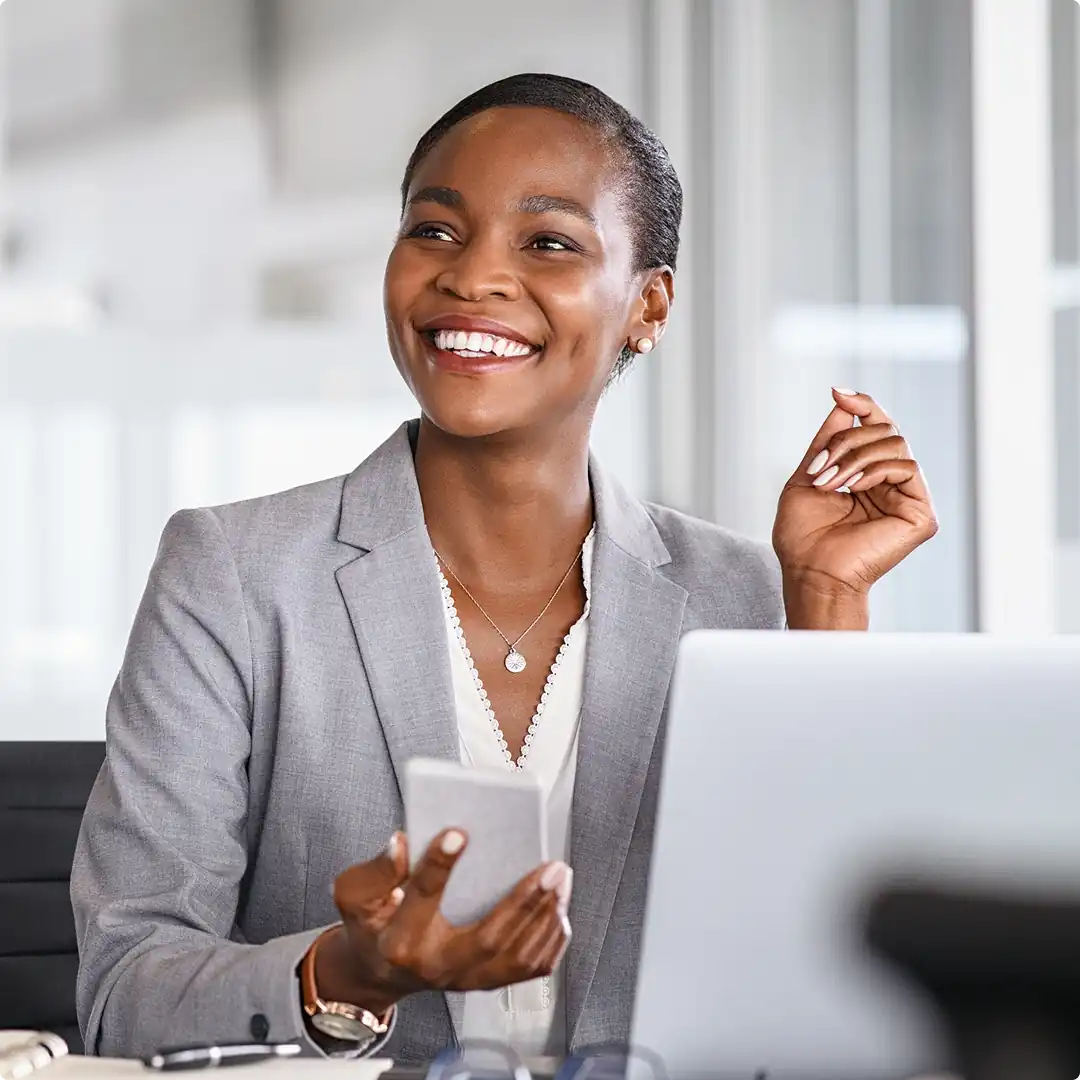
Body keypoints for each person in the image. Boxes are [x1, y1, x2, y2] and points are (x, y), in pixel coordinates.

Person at [71, 73, 938, 1064]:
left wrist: (823, 603)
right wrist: (352, 973)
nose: (473, 277)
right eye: (435, 231)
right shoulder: (233, 575)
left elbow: (830, 971)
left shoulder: (744, 597)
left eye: (549, 242)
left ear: (648, 305)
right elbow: (124, 989)